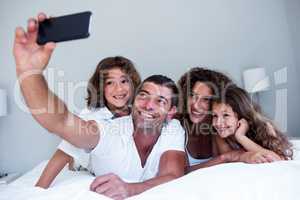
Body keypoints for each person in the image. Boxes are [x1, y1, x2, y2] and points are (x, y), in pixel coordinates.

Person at [13, 13, 186, 200]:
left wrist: (131, 189)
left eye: (160, 101)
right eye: (144, 96)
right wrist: (30, 73)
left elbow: (173, 175)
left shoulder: (173, 128)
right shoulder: (103, 125)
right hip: (87, 156)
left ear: (171, 112)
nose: (148, 105)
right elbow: (61, 123)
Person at [35, 56, 141, 188]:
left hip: (125, 168)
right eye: (110, 83)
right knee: (77, 148)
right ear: (101, 88)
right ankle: (76, 163)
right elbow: (64, 151)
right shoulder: (92, 116)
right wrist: (39, 188)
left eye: (124, 81)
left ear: (133, 83)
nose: (119, 89)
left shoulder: (138, 110)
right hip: (92, 160)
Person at [211, 85, 293, 162]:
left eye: (226, 115)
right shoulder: (219, 134)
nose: (218, 123)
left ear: (241, 115)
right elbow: (228, 158)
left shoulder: (265, 127)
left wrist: (241, 137)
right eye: (215, 115)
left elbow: (276, 159)